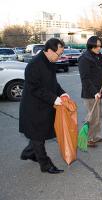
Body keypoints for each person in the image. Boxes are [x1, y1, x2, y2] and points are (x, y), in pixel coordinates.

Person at [19, 38, 69, 174]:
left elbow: (53, 84)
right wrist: (54, 99)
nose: (59, 58)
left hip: (44, 105)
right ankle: (45, 165)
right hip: (33, 108)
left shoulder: (49, 62)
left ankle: (29, 152)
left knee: (38, 135)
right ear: (49, 50)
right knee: (38, 137)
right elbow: (35, 88)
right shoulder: (34, 65)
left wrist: (62, 93)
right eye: (58, 54)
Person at [78, 36, 102, 148]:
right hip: (91, 93)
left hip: (99, 91)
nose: (99, 48)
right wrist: (94, 92)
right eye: (97, 46)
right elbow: (85, 78)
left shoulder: (97, 56)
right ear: (91, 46)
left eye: (100, 46)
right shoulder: (84, 58)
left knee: (99, 115)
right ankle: (88, 138)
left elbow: (100, 71)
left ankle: (96, 135)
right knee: (93, 116)